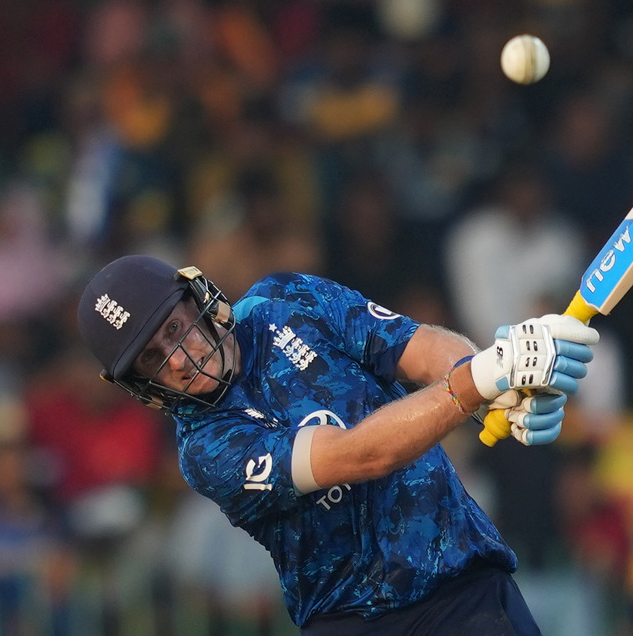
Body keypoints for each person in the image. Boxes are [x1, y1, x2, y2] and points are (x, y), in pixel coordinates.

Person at [76, 254, 600, 634]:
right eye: (152, 358)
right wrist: (477, 382)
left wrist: (494, 388)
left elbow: (418, 349)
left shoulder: (286, 300)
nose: (178, 357)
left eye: (174, 328)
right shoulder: (205, 450)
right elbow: (359, 455)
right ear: (139, 385)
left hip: (460, 583)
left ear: (198, 298)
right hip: (349, 620)